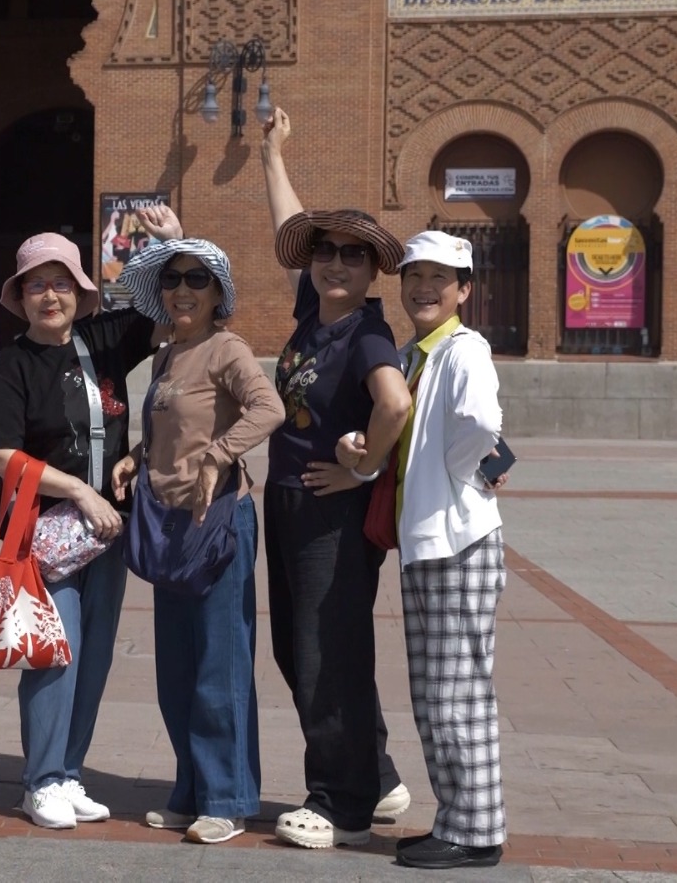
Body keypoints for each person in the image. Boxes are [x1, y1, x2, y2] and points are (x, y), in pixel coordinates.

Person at [258, 106, 416, 849]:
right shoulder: (315, 313)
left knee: (328, 651)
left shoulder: (366, 332)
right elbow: (289, 230)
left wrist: (363, 468)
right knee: (300, 647)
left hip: (331, 516)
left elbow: (395, 401)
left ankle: (341, 802)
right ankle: (377, 775)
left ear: (373, 269)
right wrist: (272, 154)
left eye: (353, 256)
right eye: (327, 252)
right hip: (288, 503)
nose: (336, 264)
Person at [0, 230, 163, 830]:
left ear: (81, 291)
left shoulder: (103, 340)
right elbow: (1, 453)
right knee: (58, 651)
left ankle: (70, 771)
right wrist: (80, 488)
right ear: (21, 296)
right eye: (37, 285)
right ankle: (41, 780)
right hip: (47, 535)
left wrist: (168, 244)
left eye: (61, 283)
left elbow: (168, 305)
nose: (49, 296)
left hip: (105, 533)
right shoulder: (12, 363)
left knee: (97, 654)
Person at [336, 231, 508, 870]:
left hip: (457, 542)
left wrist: (460, 475)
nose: (425, 288)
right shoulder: (415, 354)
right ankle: (459, 819)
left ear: (465, 289)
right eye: (415, 277)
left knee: (458, 690)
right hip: (430, 544)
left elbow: (484, 426)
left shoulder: (465, 349)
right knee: (437, 692)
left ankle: (475, 832)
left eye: (441, 277)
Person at [111, 227, 284, 845]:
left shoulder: (227, 349)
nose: (181, 291)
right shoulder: (167, 353)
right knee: (177, 668)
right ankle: (190, 788)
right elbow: (172, 427)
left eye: (196, 280)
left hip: (218, 524)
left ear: (218, 293)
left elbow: (269, 409)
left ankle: (228, 798)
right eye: (172, 279)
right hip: (169, 524)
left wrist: (218, 455)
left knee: (221, 665)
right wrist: (137, 455)